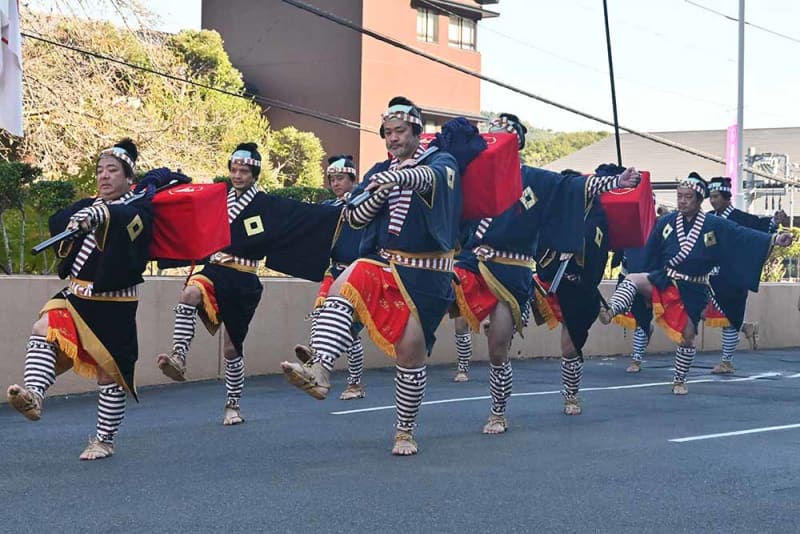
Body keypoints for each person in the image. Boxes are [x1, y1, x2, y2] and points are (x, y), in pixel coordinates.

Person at [281, 96, 462, 455]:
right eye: (388, 133)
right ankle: (320, 368)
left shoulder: (441, 160)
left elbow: (428, 179)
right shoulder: (380, 170)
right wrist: (378, 192)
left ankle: (405, 431)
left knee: (410, 357)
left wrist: (393, 179)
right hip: (387, 265)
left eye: (399, 131)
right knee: (350, 275)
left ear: (416, 131)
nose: (393, 138)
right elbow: (354, 216)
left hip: (429, 275)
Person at [157, 142, 340, 425]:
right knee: (190, 293)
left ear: (255, 174)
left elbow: (303, 215)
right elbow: (188, 206)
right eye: (234, 169)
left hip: (244, 279)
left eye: (243, 171)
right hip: (214, 269)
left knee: (231, 348)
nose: (238, 175)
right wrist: (168, 187)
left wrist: (340, 212)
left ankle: (233, 404)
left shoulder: (268, 205)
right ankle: (179, 356)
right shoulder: (217, 199)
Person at [6, 139, 167, 460]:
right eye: (100, 171)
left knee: (110, 374)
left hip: (114, 305)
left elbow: (128, 222)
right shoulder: (87, 205)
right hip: (74, 297)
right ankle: (35, 395)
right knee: (43, 328)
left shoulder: (138, 210)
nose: (104, 177)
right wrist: (85, 215)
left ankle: (104, 440)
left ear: (128, 177)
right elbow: (62, 219)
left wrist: (103, 215)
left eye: (112, 171)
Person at [599, 172, 793, 394]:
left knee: (688, 337)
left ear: (699, 200)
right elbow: (648, 249)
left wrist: (774, 238)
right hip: (666, 278)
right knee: (633, 279)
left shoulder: (715, 224)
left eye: (688, 197)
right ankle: (610, 310)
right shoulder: (666, 222)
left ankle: (679, 380)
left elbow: (743, 235)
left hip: (695, 286)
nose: (682, 200)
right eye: (679, 196)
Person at [530, 165, 638, 415]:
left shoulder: (597, 216)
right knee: (516, 299)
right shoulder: (550, 211)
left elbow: (597, 243)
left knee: (570, 346)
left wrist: (577, 243)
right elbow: (538, 240)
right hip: (551, 281)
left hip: (580, 286)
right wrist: (559, 242)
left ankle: (571, 394)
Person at [296, 154, 368, 400]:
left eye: (340, 178)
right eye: (332, 179)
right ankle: (316, 355)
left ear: (352, 178)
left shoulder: (365, 203)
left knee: (349, 331)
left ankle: (355, 383)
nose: (336, 184)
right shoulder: (328, 209)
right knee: (321, 312)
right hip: (334, 270)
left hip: (359, 272)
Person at [704, 176, 789, 373]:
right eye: (711, 196)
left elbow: (760, 230)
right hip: (707, 276)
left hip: (733, 276)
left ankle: (726, 361)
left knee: (730, 318)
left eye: (716, 196)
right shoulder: (706, 218)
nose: (712, 200)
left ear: (726, 197)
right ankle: (746, 327)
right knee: (698, 311)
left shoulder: (742, 219)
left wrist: (774, 222)